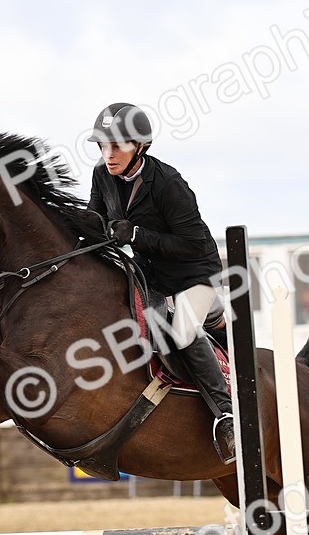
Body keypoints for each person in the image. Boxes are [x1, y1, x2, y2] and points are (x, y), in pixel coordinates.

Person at [86, 101, 235, 464]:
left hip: (193, 272)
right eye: (103, 146)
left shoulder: (168, 183)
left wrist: (138, 235)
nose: (108, 155)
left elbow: (192, 244)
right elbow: (93, 221)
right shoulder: (102, 175)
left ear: (140, 146)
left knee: (182, 332)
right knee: (139, 322)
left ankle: (226, 415)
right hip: (150, 274)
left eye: (117, 146)